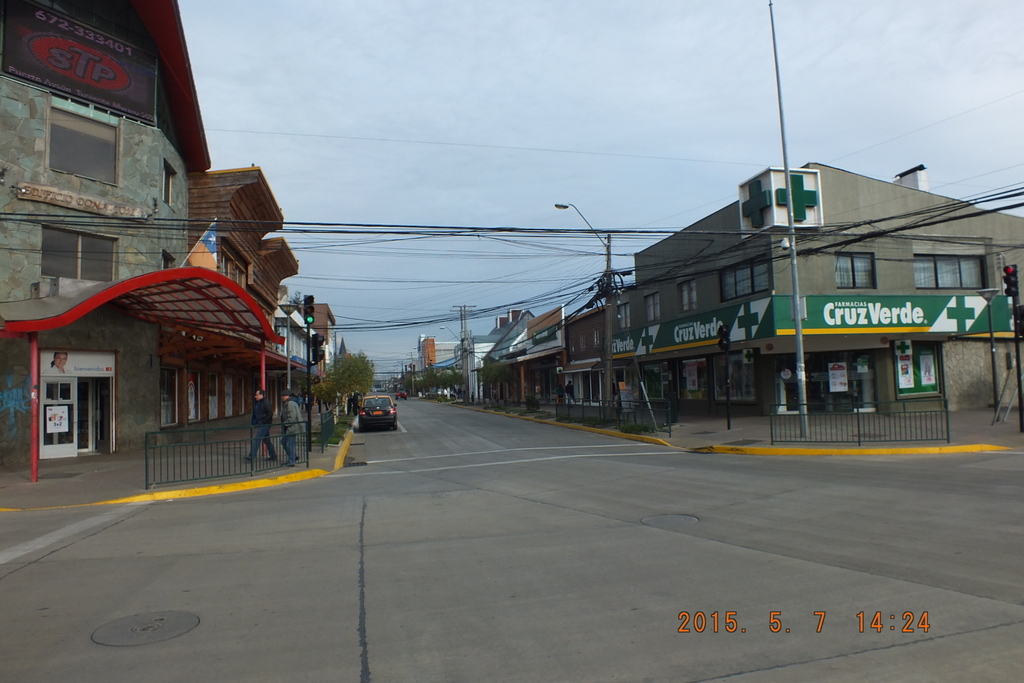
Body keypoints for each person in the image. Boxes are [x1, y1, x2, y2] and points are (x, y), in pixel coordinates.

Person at [246, 389, 277, 462]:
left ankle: (251, 456)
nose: (255, 396)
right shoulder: (259, 403)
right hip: (262, 423)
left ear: (261, 395)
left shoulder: (266, 403)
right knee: (267, 440)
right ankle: (273, 455)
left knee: (257, 439)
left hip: (265, 424)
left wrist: (263, 421)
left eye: (257, 395)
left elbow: (270, 413)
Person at [279, 389, 303, 467]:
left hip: (291, 427)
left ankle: (291, 461)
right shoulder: (290, 403)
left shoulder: (290, 404)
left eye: (283, 396)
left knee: (289, 444)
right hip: (290, 427)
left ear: (287, 396)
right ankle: (294, 456)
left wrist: (285, 423)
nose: (282, 397)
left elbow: (292, 417)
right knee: (284, 442)